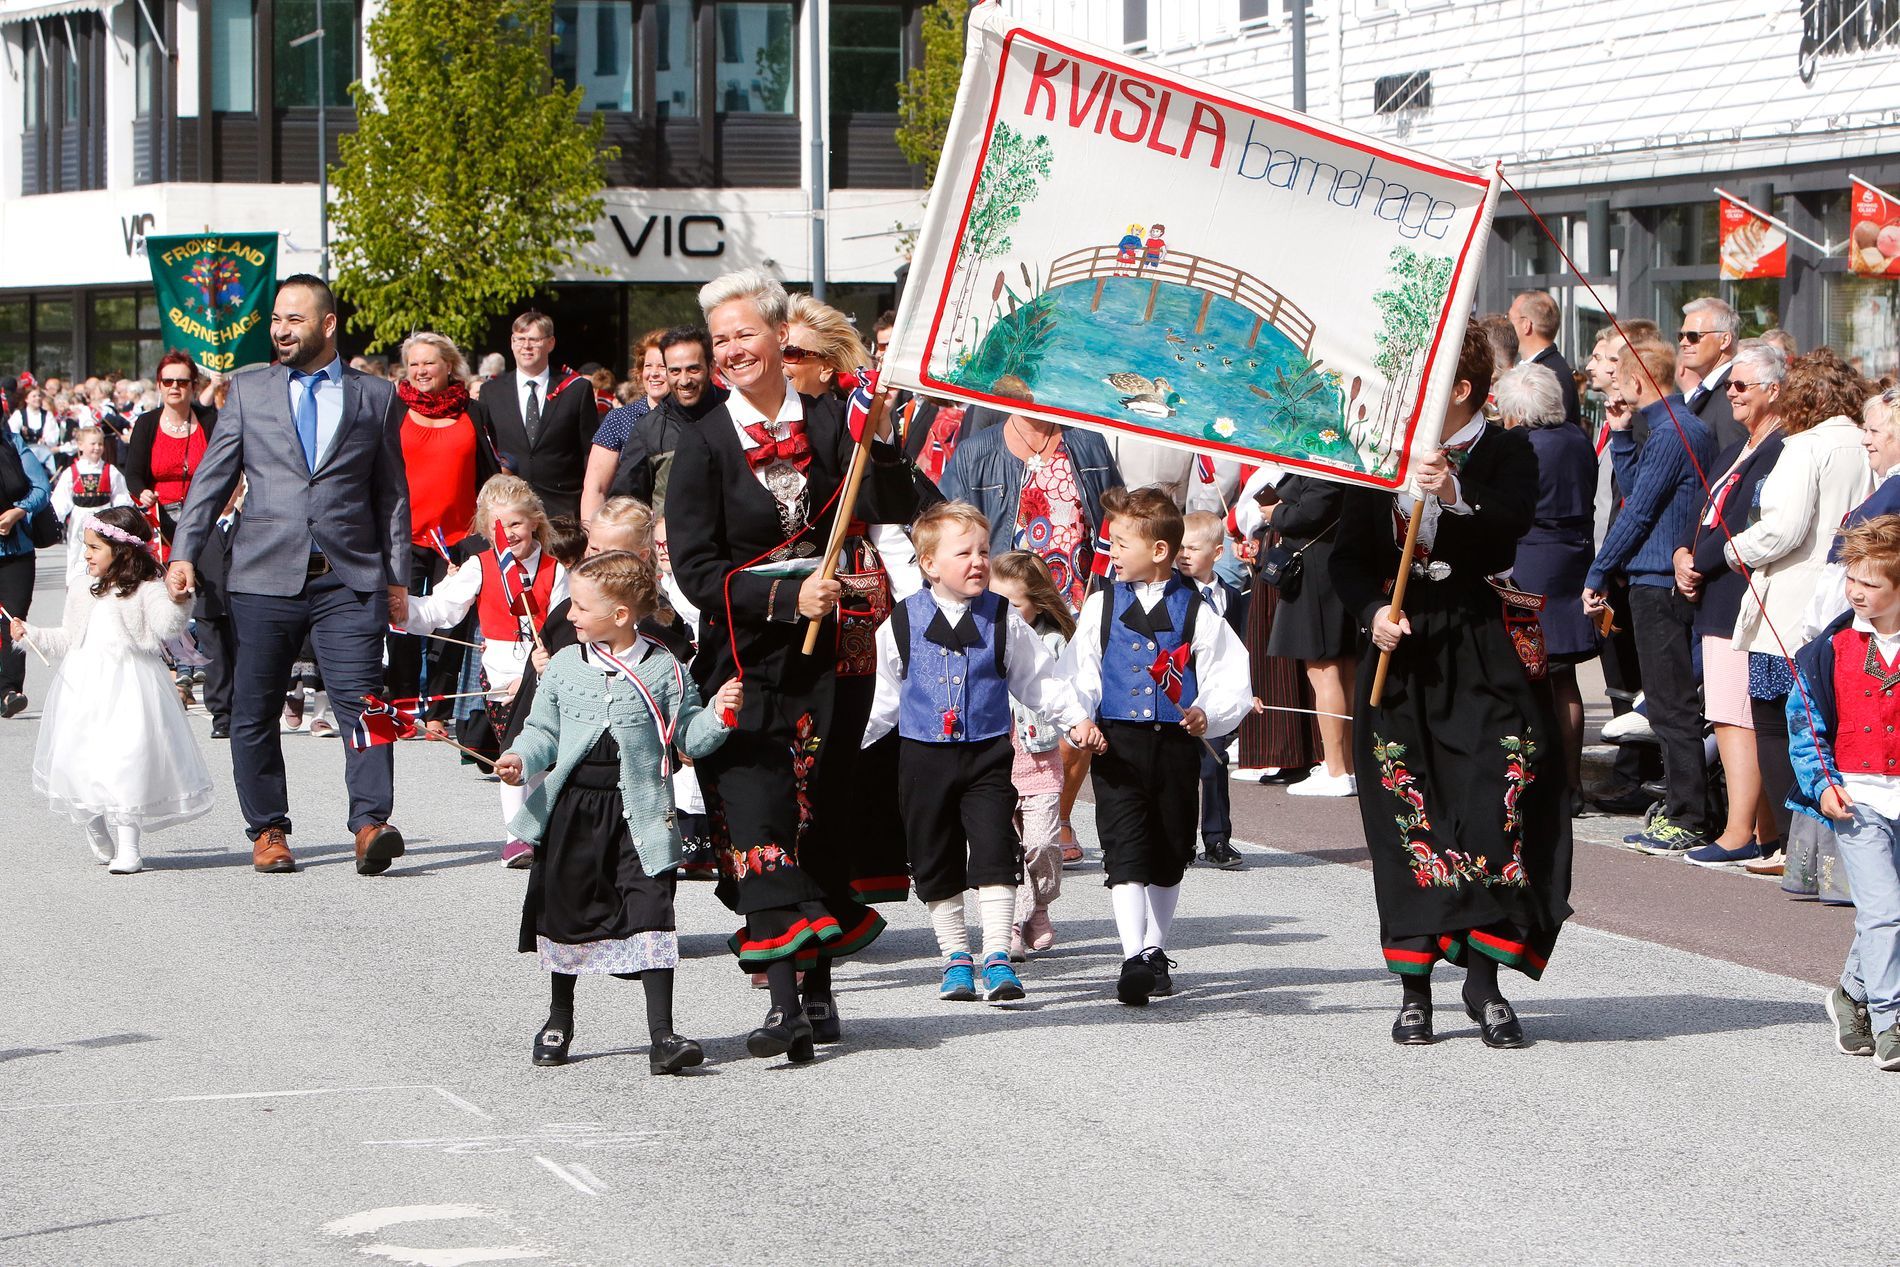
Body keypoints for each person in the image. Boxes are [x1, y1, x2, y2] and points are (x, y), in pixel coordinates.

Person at [666, 268, 929, 1061]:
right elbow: (695, 570)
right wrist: (787, 599)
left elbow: (892, 506)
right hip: (747, 663)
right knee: (759, 823)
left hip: (834, 669)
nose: (732, 350)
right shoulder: (702, 441)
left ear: (781, 336)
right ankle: (784, 1004)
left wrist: (880, 439)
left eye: (744, 333)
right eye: (720, 340)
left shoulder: (831, 420)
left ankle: (816, 995)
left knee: (817, 824)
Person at [1331, 325, 1572, 1048]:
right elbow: (1346, 560)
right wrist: (1373, 613)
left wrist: (1457, 491)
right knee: (1410, 812)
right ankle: (1413, 989)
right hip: (1401, 654)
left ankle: (1485, 980)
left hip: (1477, 642)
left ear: (1459, 390)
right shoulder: (1379, 455)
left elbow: (1507, 532)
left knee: (1497, 802)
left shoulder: (1506, 449)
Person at [167, 274, 412, 877]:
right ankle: (269, 830)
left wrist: (398, 577)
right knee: (254, 709)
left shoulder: (374, 397)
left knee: (365, 704)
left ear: (327, 325)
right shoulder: (248, 390)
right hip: (261, 575)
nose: (279, 329)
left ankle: (370, 825)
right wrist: (183, 552)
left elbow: (393, 495)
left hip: (349, 580)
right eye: (276, 319)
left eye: (294, 320)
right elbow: (212, 480)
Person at [498, 550, 742, 1074]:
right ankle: (559, 1018)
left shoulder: (666, 671)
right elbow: (543, 732)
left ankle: (664, 1036)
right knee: (568, 913)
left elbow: (689, 736)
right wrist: (520, 758)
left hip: (643, 813)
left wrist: (719, 715)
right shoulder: (564, 666)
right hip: (573, 812)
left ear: (622, 615)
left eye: (582, 608)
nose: (570, 616)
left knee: (653, 909)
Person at [863, 503, 1093, 1005]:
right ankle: (955, 959)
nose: (977, 561)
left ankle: (997, 958)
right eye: (963, 552)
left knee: (994, 849)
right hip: (923, 759)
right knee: (934, 857)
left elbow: (1038, 679)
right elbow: (881, 699)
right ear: (929, 564)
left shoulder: (1004, 618)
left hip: (988, 755)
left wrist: (1074, 718)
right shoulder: (900, 622)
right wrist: (850, 749)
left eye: (984, 551)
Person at [1058, 487, 1251, 1006]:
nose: (1112, 552)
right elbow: (1079, 673)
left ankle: (1155, 951)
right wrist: (1080, 719)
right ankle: (1131, 956)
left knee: (1168, 850)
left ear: (1159, 551)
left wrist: (1206, 711)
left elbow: (1228, 674)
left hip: (1173, 747)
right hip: (1116, 745)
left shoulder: (1198, 609)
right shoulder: (1101, 605)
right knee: (1123, 851)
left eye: (1121, 543)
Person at [15, 506, 213, 874]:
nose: (86, 554)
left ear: (120, 551)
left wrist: (180, 599)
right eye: (86, 547)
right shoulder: (81, 588)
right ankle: (93, 823)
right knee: (80, 759)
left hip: (131, 685)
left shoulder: (146, 588)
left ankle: (129, 846)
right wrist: (31, 634)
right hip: (84, 686)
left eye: (94, 548)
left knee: (127, 761)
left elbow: (166, 626)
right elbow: (68, 637)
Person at [1582, 337, 1716, 855]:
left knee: (1669, 704)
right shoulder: (1672, 428)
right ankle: (1684, 809)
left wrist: (1597, 571)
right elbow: (1639, 491)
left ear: (1639, 381)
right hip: (1659, 576)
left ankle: (1687, 815)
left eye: (1618, 374)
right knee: (1668, 701)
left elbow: (1636, 512)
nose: (1613, 382)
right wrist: (1619, 435)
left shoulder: (1672, 431)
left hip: (1659, 581)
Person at [403, 474, 568, 867]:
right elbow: (438, 612)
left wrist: (543, 668)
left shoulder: (557, 570)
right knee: (513, 754)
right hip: (499, 678)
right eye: (498, 526)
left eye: (515, 523)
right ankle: (515, 836)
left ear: (534, 522)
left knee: (546, 758)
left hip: (546, 676)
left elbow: (567, 628)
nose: (507, 533)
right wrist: (398, 606)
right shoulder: (479, 566)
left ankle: (540, 829)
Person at [1787, 516, 1900, 1071]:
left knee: (1893, 911)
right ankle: (1891, 1019)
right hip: (1858, 800)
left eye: (1872, 584)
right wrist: (1824, 784)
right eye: (1852, 578)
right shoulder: (1831, 649)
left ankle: (1850, 993)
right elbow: (1805, 726)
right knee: (1884, 911)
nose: (1856, 591)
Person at [1672, 342, 1788, 868]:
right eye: (1729, 386)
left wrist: (1703, 560)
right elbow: (1704, 510)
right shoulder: (1737, 447)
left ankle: (1740, 830)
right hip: (1711, 593)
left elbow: (1750, 524)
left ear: (1774, 391)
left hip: (1738, 595)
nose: (1731, 395)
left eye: (1741, 386)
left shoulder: (1780, 449)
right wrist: (1682, 553)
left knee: (1736, 716)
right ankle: (1760, 829)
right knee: (1727, 711)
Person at [1495, 362, 1598, 800]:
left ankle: (1539, 782)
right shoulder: (1578, 438)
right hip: (1572, 557)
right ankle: (1570, 784)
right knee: (1563, 677)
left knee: (1530, 675)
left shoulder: (1522, 446)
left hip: (1532, 559)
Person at [387, 332, 497, 740]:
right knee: (400, 618)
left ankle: (438, 709)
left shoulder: (474, 411)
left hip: (458, 538)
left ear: (449, 366)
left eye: (428, 363)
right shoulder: (393, 408)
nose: (420, 371)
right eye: (413, 364)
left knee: (451, 626)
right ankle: (401, 706)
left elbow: (489, 473)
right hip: (404, 536)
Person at [937, 376, 1121, 612]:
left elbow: (1117, 516)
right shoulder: (974, 453)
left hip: (1078, 603)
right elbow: (947, 531)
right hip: (1006, 606)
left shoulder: (1090, 443)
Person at [991, 549, 1077, 950]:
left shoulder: (1054, 643)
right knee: (1003, 845)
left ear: (1037, 604)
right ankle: (1010, 923)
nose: (1002, 611)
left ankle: (1040, 903)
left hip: (1040, 758)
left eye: (1013, 603)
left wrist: (1079, 727)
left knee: (1042, 842)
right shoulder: (985, 636)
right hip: (995, 758)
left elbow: (1067, 694)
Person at [1228, 464, 1325, 785]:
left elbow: (1308, 509)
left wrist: (1274, 513)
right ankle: (1282, 753)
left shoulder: (1311, 460)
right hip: (1273, 551)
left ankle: (1303, 754)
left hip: (1293, 556)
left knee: (1286, 659)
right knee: (1270, 657)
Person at [1267, 472, 1359, 799]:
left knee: (1324, 669)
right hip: (1332, 562)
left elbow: (1312, 509)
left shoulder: (1327, 450)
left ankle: (1337, 768)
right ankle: (1344, 766)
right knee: (1342, 669)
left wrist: (1274, 513)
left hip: (1318, 563)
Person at [1176, 510, 1250, 868]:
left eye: (1192, 548)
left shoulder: (1232, 596)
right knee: (1182, 768)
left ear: (1217, 553)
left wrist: (1247, 691)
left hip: (1215, 695)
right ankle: (1181, 839)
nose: (1183, 555)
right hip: (1182, 693)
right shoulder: (1175, 593)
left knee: (1215, 763)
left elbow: (1240, 648)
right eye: (1179, 548)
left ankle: (1218, 839)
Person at [477, 312, 596, 520]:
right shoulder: (491, 391)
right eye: (520, 339)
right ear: (512, 343)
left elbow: (589, 451)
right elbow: (487, 450)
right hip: (509, 507)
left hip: (563, 508)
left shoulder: (576, 389)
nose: (526, 346)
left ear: (550, 343)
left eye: (534, 340)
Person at [605, 327, 727, 520]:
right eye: (675, 371)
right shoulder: (648, 428)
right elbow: (624, 505)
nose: (684, 380)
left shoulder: (735, 410)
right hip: (672, 545)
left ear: (711, 367)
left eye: (693, 369)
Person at [123, 351, 216, 541]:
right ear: (159, 385)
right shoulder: (146, 423)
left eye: (182, 382)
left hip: (202, 520)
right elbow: (132, 474)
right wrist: (143, 493)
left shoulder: (210, 422)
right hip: (158, 522)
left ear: (194, 386)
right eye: (167, 381)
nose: (174, 386)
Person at [583, 331, 668, 521]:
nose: (654, 373)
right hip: (627, 531)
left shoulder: (692, 418)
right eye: (648, 366)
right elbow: (595, 489)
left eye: (662, 366)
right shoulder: (620, 418)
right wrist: (592, 538)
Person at [0, 421, 53, 718]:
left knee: (13, 620)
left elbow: (41, 488)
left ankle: (9, 691)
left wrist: (18, 511)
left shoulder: (13, 442)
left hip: (17, 550)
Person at [49, 426, 133, 589]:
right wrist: (54, 522)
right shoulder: (71, 472)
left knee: (106, 552)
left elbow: (122, 497)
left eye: (100, 444)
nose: (97, 448)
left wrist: (122, 520)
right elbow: (60, 500)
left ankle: (104, 582)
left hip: (104, 518)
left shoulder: (110, 471)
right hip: (80, 519)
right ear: (80, 445)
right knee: (77, 552)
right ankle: (75, 584)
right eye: (93, 444)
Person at [1678, 297, 1747, 452]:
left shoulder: (1732, 392)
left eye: (1693, 336)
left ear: (1724, 340)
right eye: (1681, 336)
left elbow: (1734, 465)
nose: (1683, 342)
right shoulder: (1706, 391)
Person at [1508, 290, 1582, 429]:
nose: (1506, 324)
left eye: (1509, 318)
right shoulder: (1544, 367)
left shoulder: (1549, 375)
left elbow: (1548, 434)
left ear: (1526, 324)